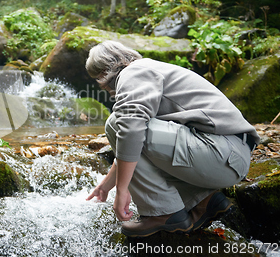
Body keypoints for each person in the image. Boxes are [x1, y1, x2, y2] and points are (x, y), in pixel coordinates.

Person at [85, 40, 259, 238]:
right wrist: (105, 186)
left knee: (117, 122)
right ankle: (203, 201)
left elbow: (130, 131)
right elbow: (134, 148)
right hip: (229, 156)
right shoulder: (151, 70)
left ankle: (163, 214)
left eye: (98, 79)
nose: (103, 87)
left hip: (222, 153)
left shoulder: (133, 72)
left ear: (105, 71)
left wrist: (121, 190)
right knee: (126, 129)